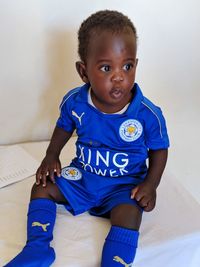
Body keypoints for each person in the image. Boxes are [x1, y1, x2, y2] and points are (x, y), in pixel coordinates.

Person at [5, 10, 169, 267]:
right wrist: (51, 156)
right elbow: (64, 126)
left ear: (135, 65)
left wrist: (150, 184)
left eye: (127, 66)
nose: (119, 76)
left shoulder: (147, 114)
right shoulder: (75, 102)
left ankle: (113, 262)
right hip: (83, 177)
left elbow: (160, 149)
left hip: (122, 185)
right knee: (42, 187)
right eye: (106, 67)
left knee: (130, 212)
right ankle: (37, 249)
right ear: (83, 72)